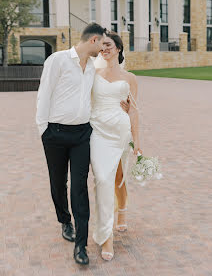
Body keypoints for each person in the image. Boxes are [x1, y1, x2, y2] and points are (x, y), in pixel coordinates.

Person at [36, 23, 128, 265]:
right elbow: (44, 93)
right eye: (103, 43)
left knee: (79, 187)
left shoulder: (92, 67)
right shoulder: (57, 60)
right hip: (54, 133)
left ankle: (81, 247)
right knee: (58, 183)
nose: (104, 48)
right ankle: (65, 220)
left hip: (82, 136)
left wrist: (123, 105)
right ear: (94, 40)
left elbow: (108, 87)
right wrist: (43, 130)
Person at [90, 31, 142, 261]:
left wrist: (137, 142)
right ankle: (106, 236)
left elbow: (133, 110)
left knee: (119, 174)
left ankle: (122, 212)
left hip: (120, 132)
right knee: (102, 179)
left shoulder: (129, 77)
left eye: (108, 45)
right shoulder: (93, 73)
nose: (104, 49)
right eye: (101, 46)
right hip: (99, 131)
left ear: (118, 48)